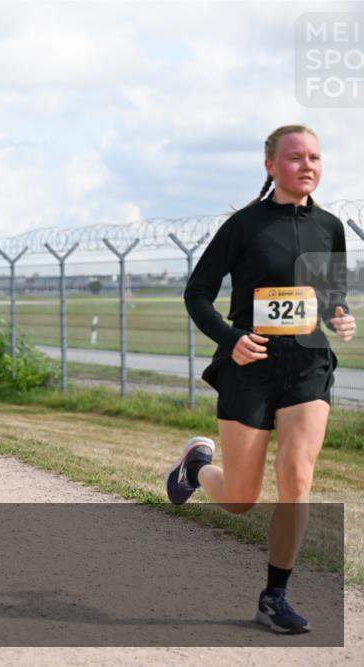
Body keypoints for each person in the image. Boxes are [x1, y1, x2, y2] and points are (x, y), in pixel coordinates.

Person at [169, 125, 355, 635]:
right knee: (239, 498)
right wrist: (231, 340)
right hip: (250, 366)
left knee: (297, 477)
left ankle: (275, 595)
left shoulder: (331, 227)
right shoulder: (245, 226)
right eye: (295, 157)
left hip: (308, 366)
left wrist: (341, 315)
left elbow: (332, 292)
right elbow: (198, 293)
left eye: (315, 156)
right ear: (271, 166)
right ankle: (196, 468)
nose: (308, 165)